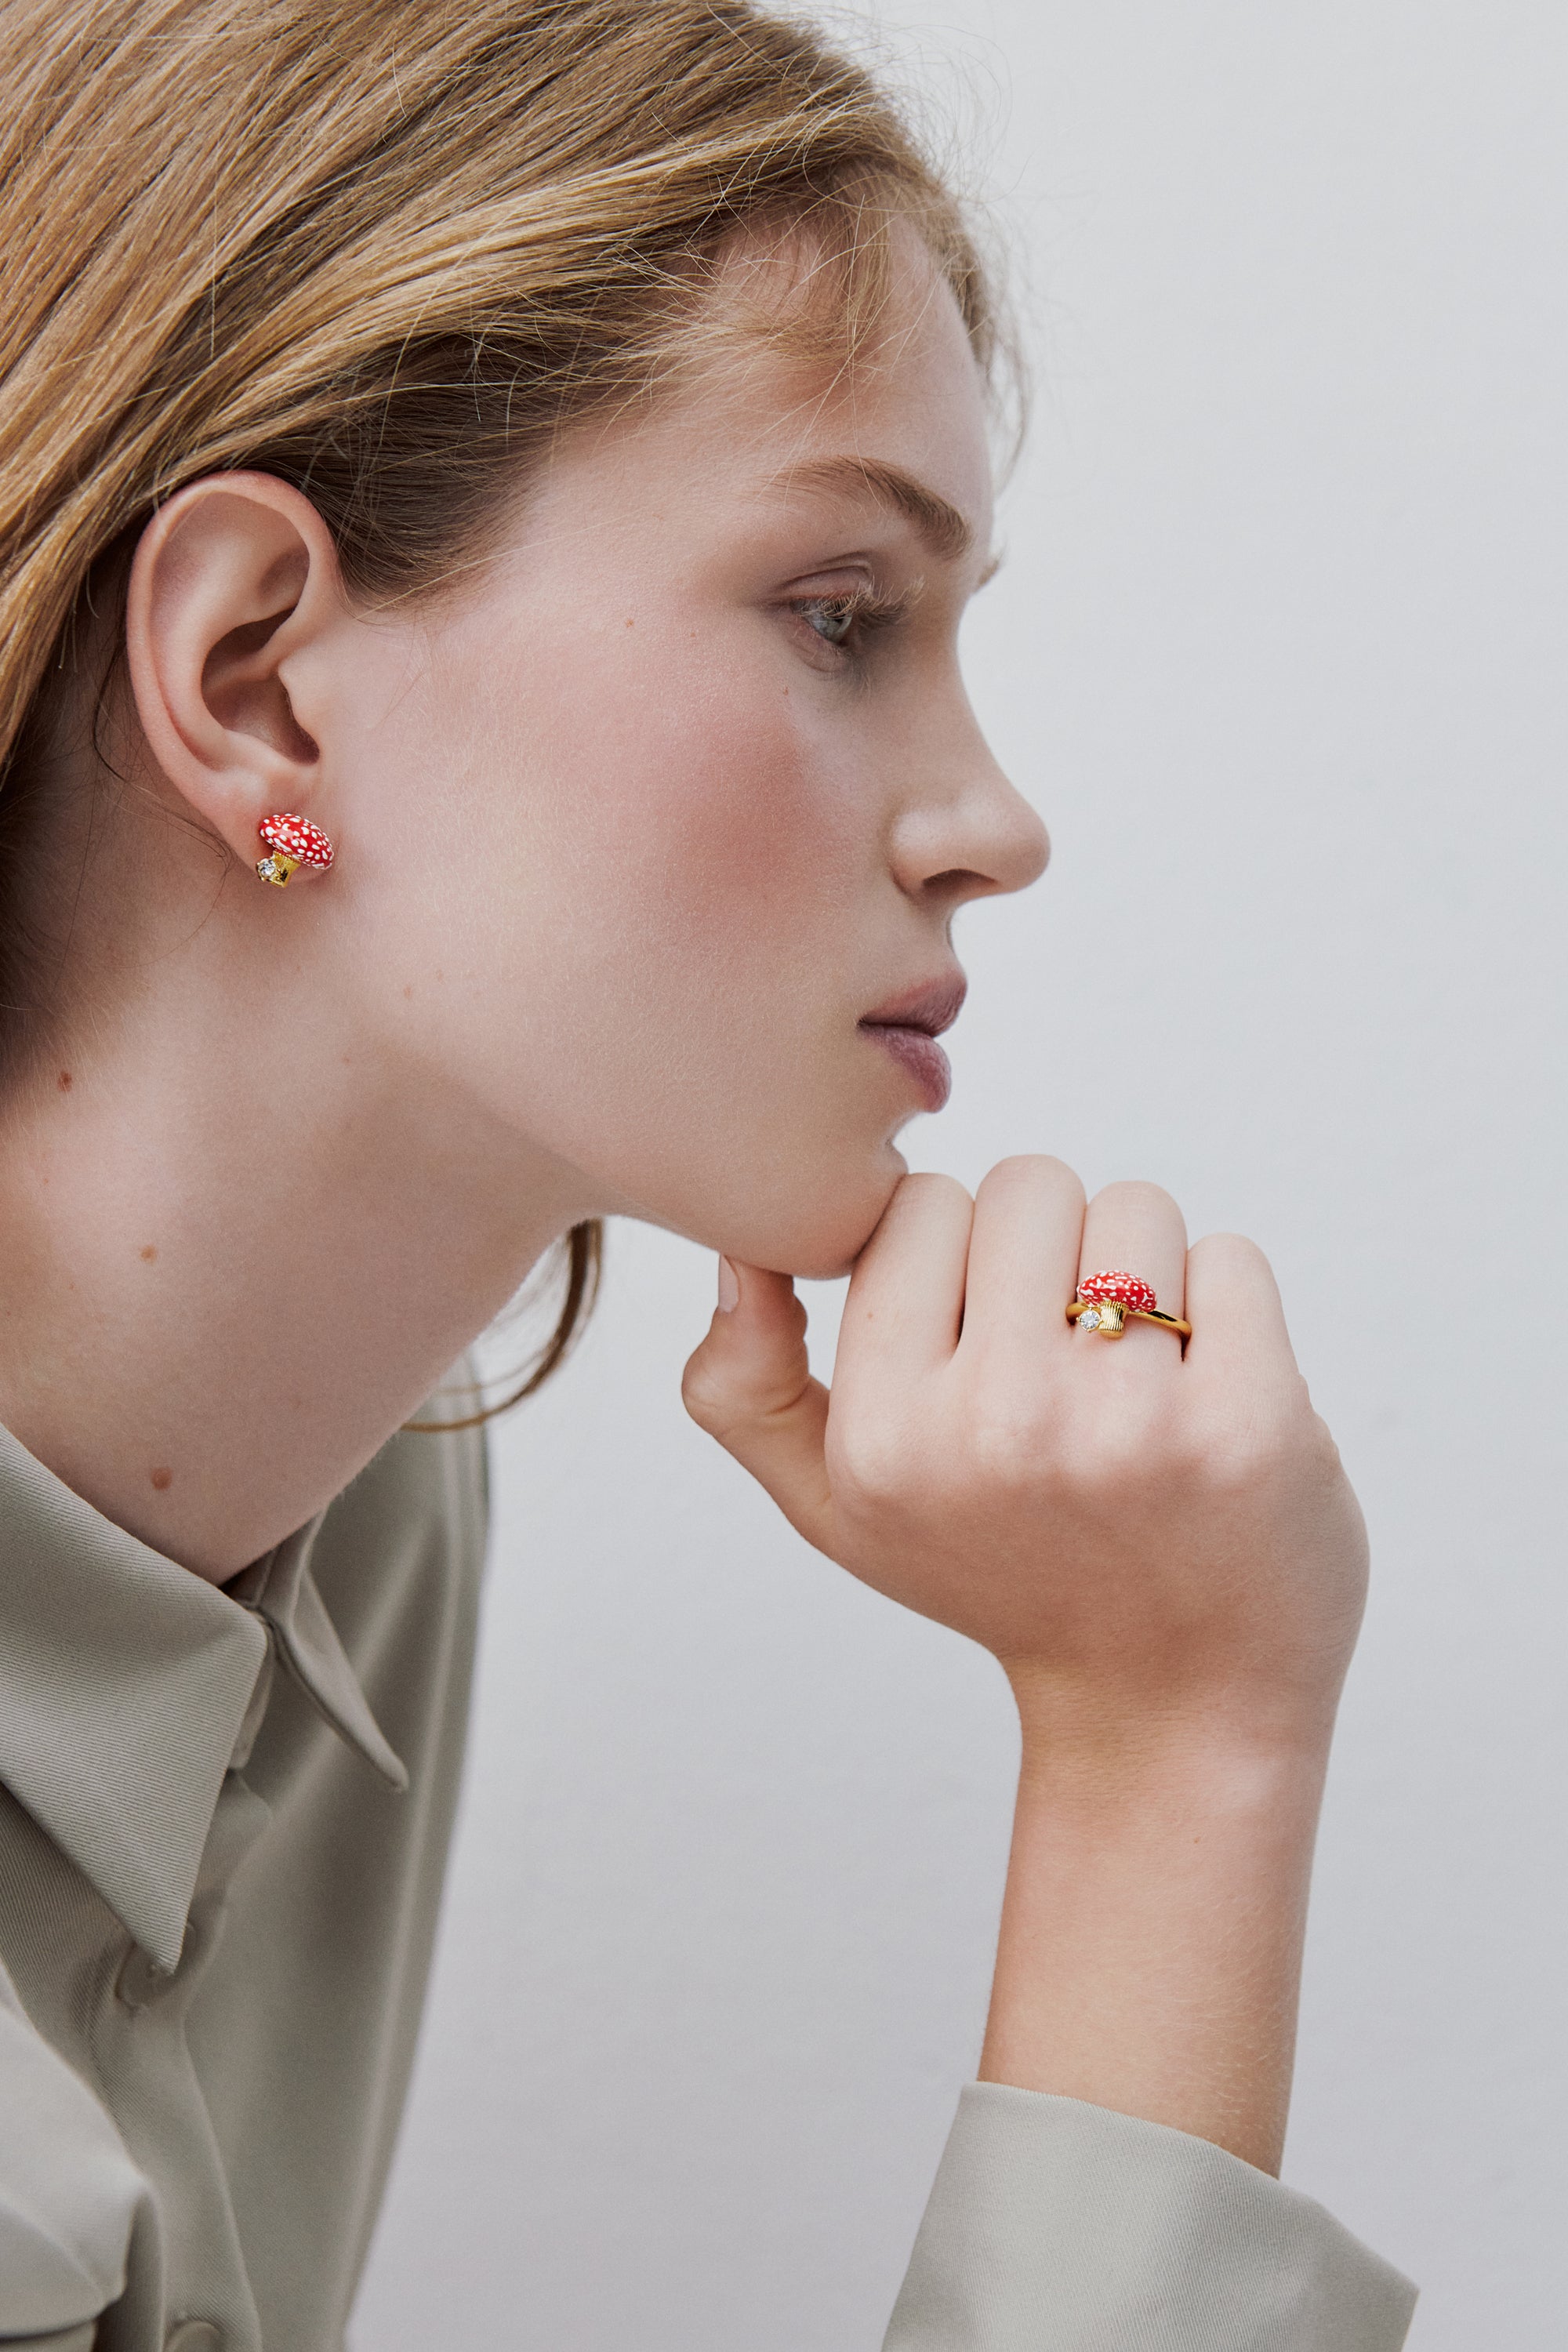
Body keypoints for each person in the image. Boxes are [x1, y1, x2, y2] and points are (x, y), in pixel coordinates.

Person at [0, 2, 1417, 2345]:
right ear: (256, 677)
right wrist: (1177, 1758)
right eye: (841, 616)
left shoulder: (358, 1494)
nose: (995, 824)